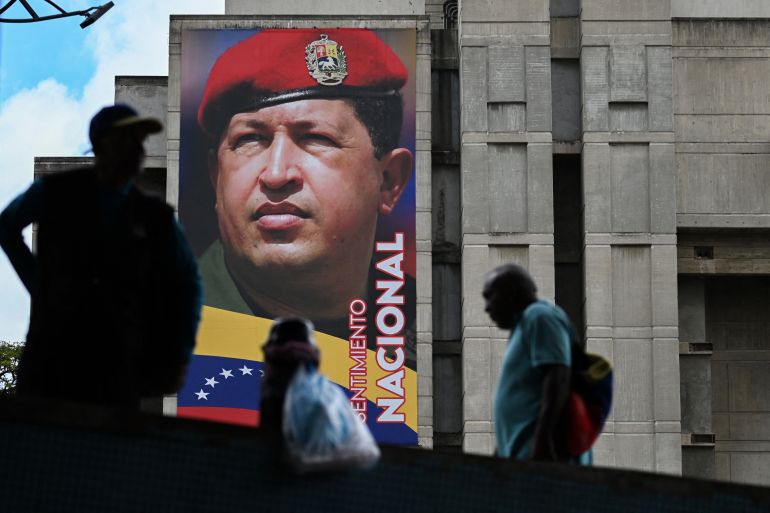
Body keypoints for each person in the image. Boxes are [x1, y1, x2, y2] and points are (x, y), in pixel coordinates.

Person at [193, 29, 415, 353]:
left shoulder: (437, 335)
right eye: (249, 140)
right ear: (216, 178)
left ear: (389, 181)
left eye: (316, 139)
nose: (276, 174)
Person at [0, 104, 203, 407]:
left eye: (140, 141)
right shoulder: (55, 192)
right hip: (54, 356)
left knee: (108, 448)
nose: (138, 150)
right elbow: (6, 227)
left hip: (118, 364)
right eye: (128, 139)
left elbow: (187, 282)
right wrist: (40, 286)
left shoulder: (154, 217)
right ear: (102, 144)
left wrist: (178, 355)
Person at [483, 263, 590, 464]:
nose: (487, 307)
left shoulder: (540, 316)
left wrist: (542, 441)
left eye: (490, 297)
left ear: (511, 294)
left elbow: (558, 374)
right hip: (523, 458)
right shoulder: (524, 325)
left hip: (542, 459)